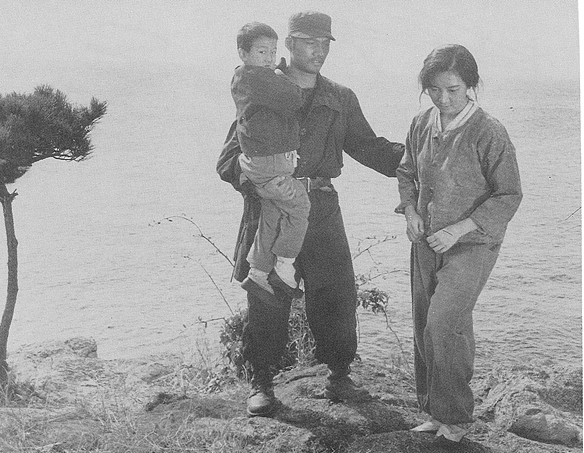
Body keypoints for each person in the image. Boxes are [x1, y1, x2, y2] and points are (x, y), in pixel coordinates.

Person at [217, 10, 405, 417]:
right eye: (308, 43)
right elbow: (229, 159)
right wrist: (258, 183)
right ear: (288, 44)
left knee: (336, 293)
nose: (317, 51)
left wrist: (416, 159)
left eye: (324, 44)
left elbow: (369, 147)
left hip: (321, 206)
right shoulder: (260, 84)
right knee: (267, 295)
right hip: (271, 204)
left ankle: (339, 374)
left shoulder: (340, 97)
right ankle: (262, 383)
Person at [396, 44, 523, 443]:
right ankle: (434, 413)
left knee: (444, 323)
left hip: (473, 243)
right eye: (434, 90)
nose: (443, 98)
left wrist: (460, 228)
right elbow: (406, 172)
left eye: (452, 89)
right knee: (423, 324)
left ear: (470, 85)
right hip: (425, 240)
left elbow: (509, 194)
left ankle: (455, 418)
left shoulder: (489, 131)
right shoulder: (421, 124)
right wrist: (411, 212)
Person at [232, 22, 310, 298]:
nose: (269, 58)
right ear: (243, 53)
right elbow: (294, 98)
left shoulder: (247, 79)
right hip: (271, 164)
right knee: (300, 206)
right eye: (262, 52)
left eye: (273, 52)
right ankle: (285, 265)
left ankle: (258, 272)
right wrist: (282, 74)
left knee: (272, 216)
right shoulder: (258, 78)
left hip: (263, 164)